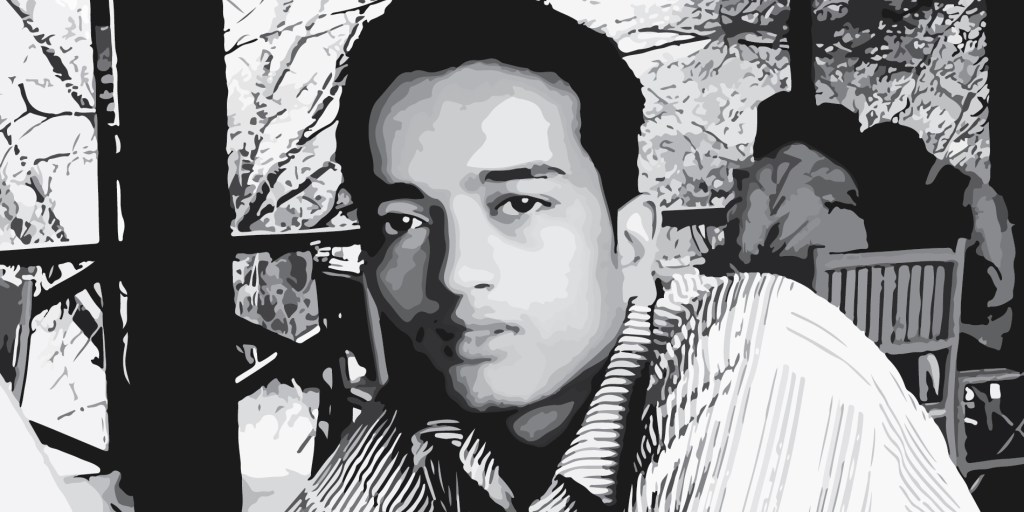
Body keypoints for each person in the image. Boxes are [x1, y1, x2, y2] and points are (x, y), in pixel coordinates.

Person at [287, 0, 979, 510]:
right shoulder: (422, 414)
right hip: (913, 326)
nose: (456, 273)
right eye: (403, 221)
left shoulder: (758, 341)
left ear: (634, 240)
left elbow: (743, 258)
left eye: (520, 203)